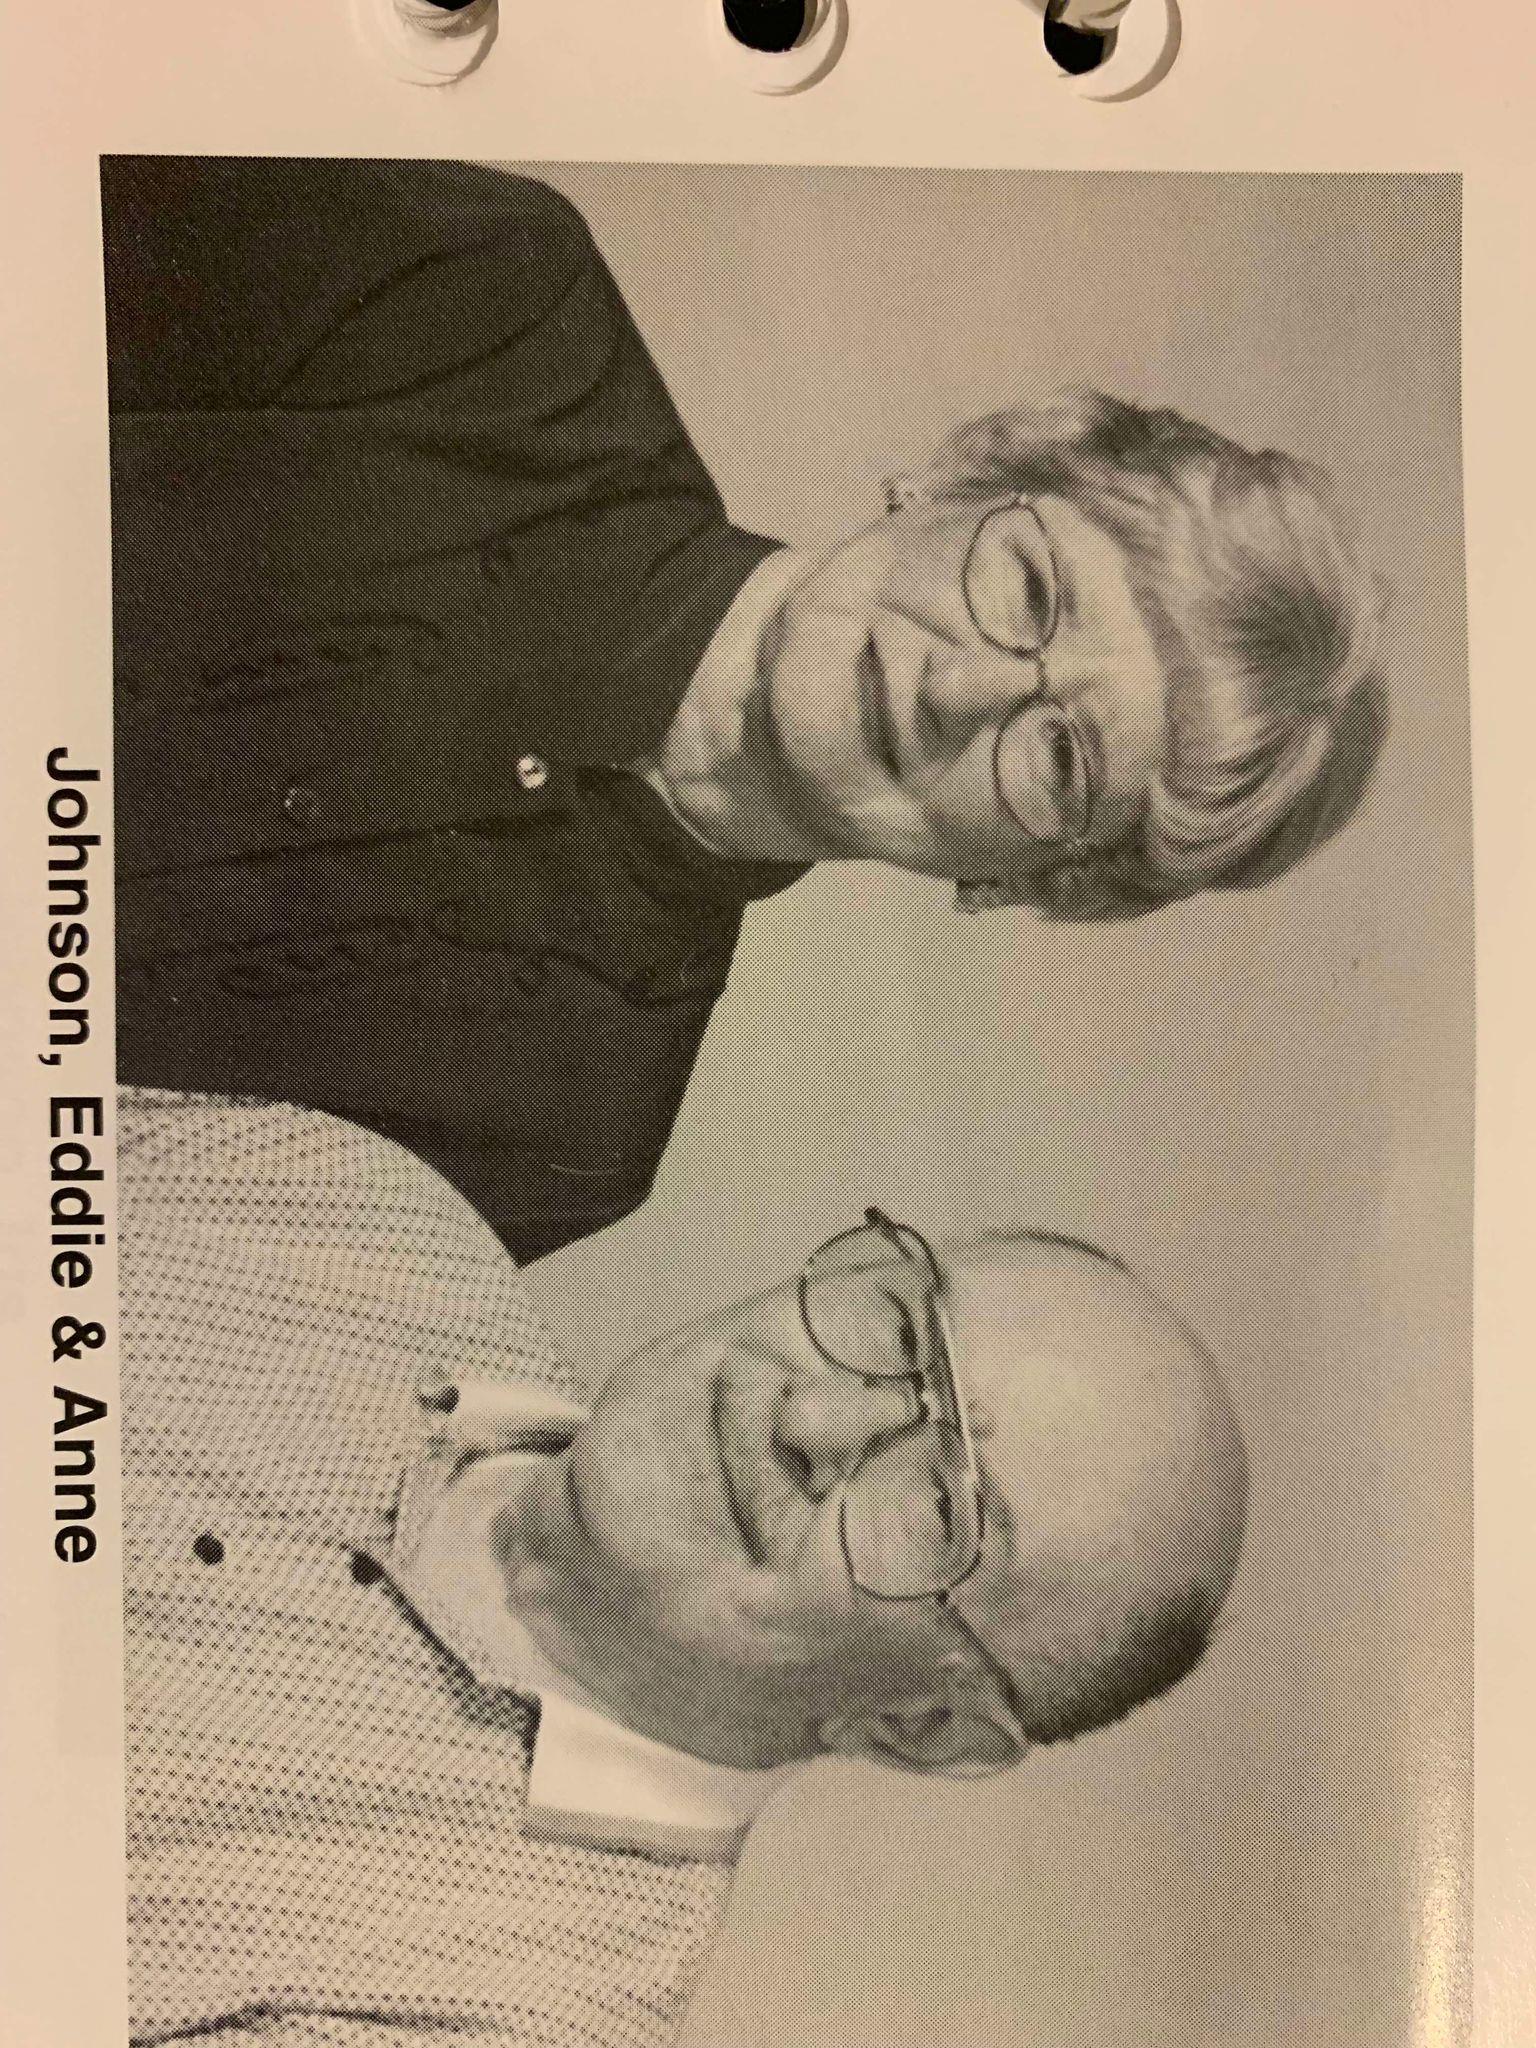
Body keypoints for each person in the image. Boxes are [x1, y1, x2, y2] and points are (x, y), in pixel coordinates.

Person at [105, 157, 1386, 1262]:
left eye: (1060, 757)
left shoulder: (574, 1131)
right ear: (968, 473)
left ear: (1028, 880)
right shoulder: (494, 301)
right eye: (1030, 587)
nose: (960, 686)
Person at [121, 1086, 1247, 2048]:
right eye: (899, 1331)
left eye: (941, 1507)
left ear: (921, 1725)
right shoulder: (367, 1208)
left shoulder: (502, 2017)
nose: (811, 1416)